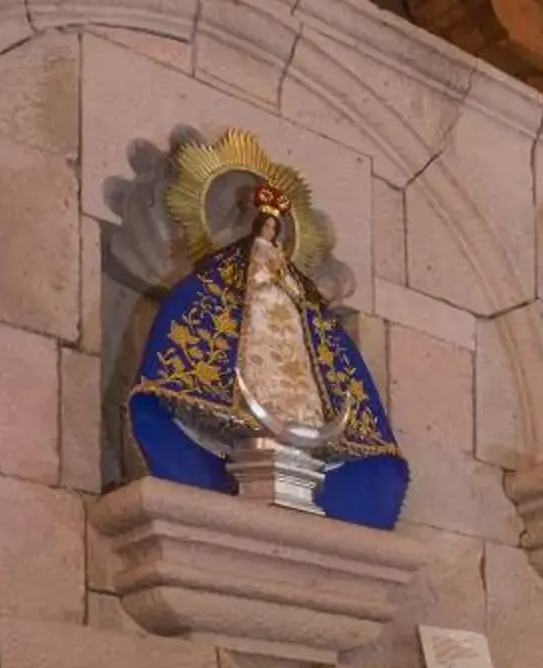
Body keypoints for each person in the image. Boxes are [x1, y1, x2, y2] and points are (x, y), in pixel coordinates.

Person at [128, 170, 408, 529]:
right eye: (267, 228)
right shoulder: (228, 276)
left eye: (277, 231)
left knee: (297, 370)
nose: (271, 235)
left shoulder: (296, 287)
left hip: (286, 325)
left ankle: (299, 428)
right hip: (252, 324)